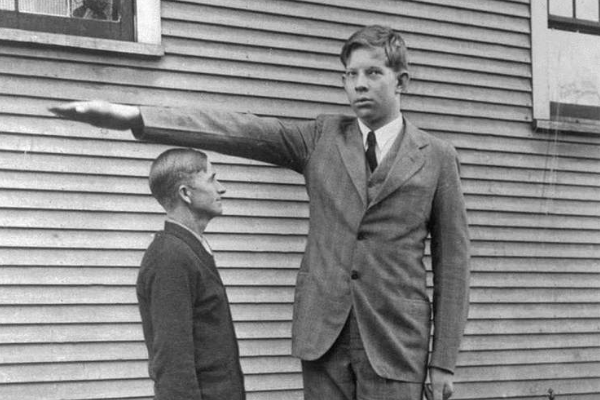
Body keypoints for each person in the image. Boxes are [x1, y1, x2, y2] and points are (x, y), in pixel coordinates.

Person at [50, 24, 470, 400]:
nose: (359, 84)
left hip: (396, 342)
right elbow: (242, 129)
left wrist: (443, 362)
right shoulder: (322, 137)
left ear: (402, 80)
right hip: (324, 338)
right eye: (350, 74)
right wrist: (136, 118)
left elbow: (453, 264)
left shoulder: (436, 157)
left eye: (373, 73)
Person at [136, 148, 245, 400]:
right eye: (212, 179)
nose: (222, 188)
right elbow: (173, 366)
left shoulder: (188, 249)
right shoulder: (170, 256)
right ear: (186, 193)